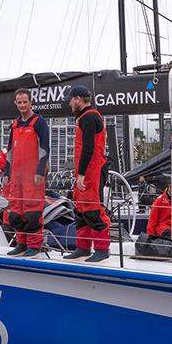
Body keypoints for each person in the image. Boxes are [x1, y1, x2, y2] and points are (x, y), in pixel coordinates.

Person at [0, 89, 50, 258]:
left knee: (32, 211)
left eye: (25, 102)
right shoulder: (15, 124)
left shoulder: (39, 122)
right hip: (16, 175)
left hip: (33, 175)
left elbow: (45, 149)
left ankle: (34, 246)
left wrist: (40, 171)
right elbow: (10, 151)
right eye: (20, 102)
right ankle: (21, 243)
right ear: (16, 104)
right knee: (16, 210)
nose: (23, 105)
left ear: (31, 102)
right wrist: (7, 173)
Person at [63, 85, 111, 263]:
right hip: (85, 171)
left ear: (78, 99)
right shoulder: (85, 116)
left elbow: (88, 148)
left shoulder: (89, 117)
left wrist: (81, 174)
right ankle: (83, 248)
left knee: (93, 210)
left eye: (71, 99)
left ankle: (102, 249)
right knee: (80, 210)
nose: (69, 103)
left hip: (91, 171)